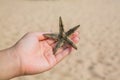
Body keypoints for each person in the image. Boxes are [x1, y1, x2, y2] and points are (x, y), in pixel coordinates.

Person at [0, 31, 79, 80]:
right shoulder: (59, 37)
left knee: (70, 44)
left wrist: (18, 59)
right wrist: (18, 58)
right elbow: (48, 35)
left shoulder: (60, 37)